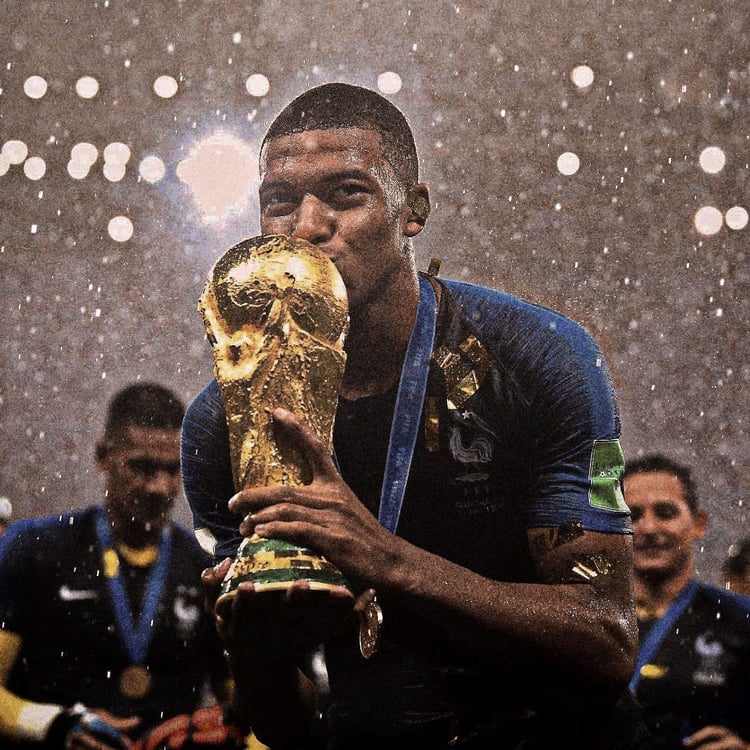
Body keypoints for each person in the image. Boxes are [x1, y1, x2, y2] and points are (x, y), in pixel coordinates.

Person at [182, 82, 651, 750]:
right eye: (280, 202)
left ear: (413, 210)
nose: (307, 227)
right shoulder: (223, 423)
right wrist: (253, 656)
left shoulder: (538, 358)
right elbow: (288, 729)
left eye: (347, 193)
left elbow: (606, 638)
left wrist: (383, 559)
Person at [0, 383, 232, 748]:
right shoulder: (34, 549)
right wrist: (56, 726)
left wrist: (230, 731)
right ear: (103, 456)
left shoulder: (206, 567)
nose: (159, 487)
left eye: (173, 469)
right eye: (142, 467)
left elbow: (253, 713)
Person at [624, 454, 750, 749]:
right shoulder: (590, 621)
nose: (648, 528)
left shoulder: (741, 620)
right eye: (633, 515)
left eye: (665, 512)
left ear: (698, 523)